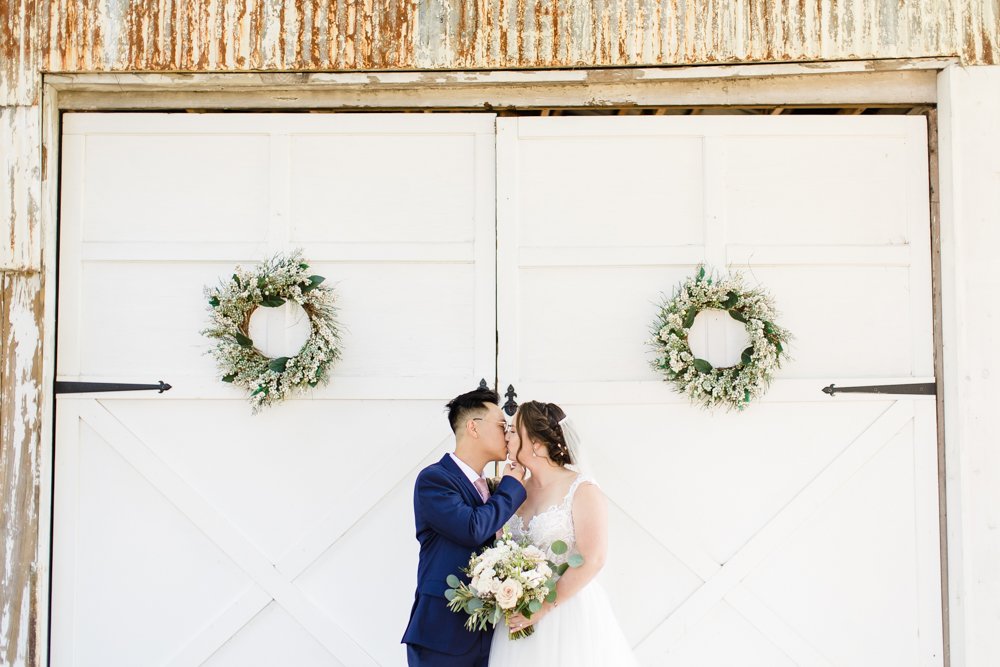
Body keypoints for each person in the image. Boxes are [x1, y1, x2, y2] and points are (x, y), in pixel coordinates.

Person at [488, 400, 638, 666]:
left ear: (535, 443)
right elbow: (500, 546)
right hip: (518, 614)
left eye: (513, 430)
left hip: (567, 614)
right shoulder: (513, 488)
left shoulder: (581, 489)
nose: (506, 436)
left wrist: (543, 607)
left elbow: (593, 558)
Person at [402, 387, 527, 667]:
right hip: (442, 635)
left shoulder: (493, 488)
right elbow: (472, 528)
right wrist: (512, 487)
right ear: (473, 427)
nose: (507, 434)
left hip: (492, 635)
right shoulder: (434, 480)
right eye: (501, 426)